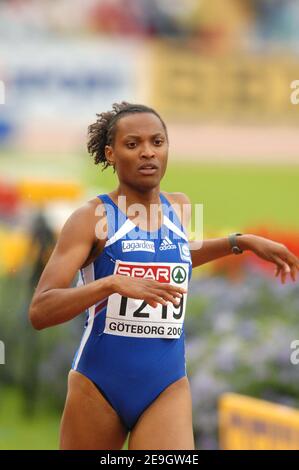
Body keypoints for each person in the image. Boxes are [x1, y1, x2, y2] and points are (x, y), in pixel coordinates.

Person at [29, 102, 299, 450]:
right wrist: (111, 283)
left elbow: (176, 256)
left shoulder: (179, 207)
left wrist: (238, 242)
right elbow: (40, 310)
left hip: (166, 385)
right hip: (98, 385)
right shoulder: (91, 218)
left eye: (157, 142)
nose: (147, 153)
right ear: (110, 153)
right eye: (133, 144)